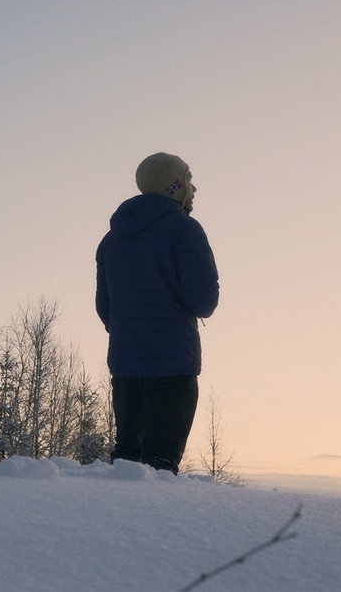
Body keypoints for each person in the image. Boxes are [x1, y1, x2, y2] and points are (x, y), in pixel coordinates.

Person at [95, 152, 219, 474]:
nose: (194, 188)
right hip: (172, 369)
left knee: (127, 465)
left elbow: (105, 309)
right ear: (173, 186)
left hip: (125, 370)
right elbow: (204, 299)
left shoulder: (111, 240)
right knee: (159, 469)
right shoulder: (184, 230)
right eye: (189, 179)